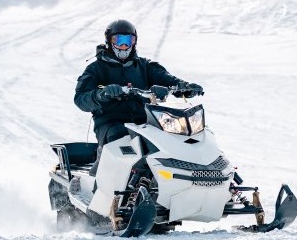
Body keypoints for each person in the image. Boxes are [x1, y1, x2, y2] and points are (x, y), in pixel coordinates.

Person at [74, 19, 203, 173]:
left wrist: (184, 87)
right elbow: (81, 98)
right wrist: (102, 94)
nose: (124, 45)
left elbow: (167, 79)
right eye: (119, 40)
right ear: (109, 41)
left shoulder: (144, 66)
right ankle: (108, 180)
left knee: (175, 137)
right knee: (123, 139)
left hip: (146, 121)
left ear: (134, 42)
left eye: (129, 40)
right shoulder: (96, 69)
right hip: (111, 123)